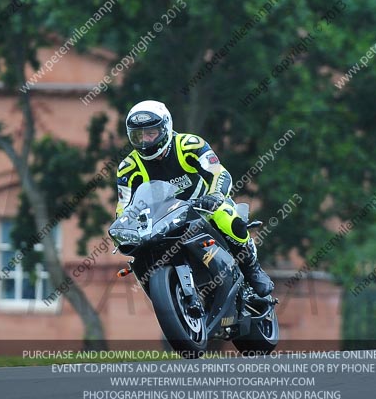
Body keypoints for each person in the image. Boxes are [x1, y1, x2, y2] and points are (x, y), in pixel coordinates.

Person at [115, 99, 274, 297]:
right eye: (139, 136)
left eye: (151, 133)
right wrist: (124, 229)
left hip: (202, 208)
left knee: (225, 215)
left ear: (165, 128)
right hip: (161, 221)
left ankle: (252, 268)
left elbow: (219, 173)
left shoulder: (188, 144)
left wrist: (215, 195)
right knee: (140, 256)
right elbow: (124, 206)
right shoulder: (128, 167)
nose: (146, 140)